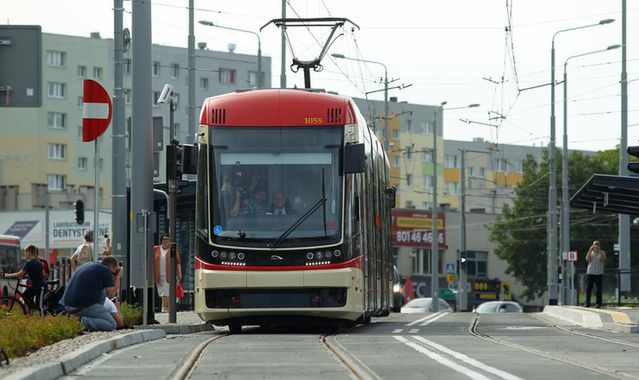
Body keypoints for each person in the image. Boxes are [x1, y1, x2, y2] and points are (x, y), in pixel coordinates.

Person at [62, 256, 120, 331]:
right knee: (112, 325)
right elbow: (112, 294)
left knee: (102, 292)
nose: (114, 274)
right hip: (82, 306)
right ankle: (79, 321)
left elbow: (106, 295)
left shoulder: (88, 265)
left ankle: (79, 318)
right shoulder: (105, 270)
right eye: (115, 271)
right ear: (111, 267)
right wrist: (118, 277)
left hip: (68, 305)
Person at [2, 245, 47, 313]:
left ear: (28, 253)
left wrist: (6, 275)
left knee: (39, 305)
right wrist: (28, 276)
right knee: (25, 296)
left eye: (25, 252)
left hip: (40, 287)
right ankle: (33, 308)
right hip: (34, 286)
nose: (25, 254)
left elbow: (20, 274)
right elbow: (43, 274)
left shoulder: (29, 263)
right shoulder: (39, 262)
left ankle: (44, 317)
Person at [154, 233, 182, 313]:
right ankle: (167, 308)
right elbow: (150, 259)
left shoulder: (173, 250)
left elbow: (178, 262)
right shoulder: (156, 249)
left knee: (165, 292)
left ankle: (165, 308)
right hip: (158, 275)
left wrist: (180, 273)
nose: (166, 241)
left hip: (169, 275)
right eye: (164, 239)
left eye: (167, 239)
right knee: (163, 293)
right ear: (161, 241)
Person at [584, 240, 606, 308]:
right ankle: (587, 303)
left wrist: (599, 251)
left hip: (599, 273)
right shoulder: (591, 252)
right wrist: (590, 249)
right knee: (588, 289)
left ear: (599, 245)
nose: (596, 246)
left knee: (598, 289)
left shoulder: (602, 252)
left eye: (597, 244)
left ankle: (598, 304)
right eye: (595, 244)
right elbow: (587, 259)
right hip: (590, 273)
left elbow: (603, 260)